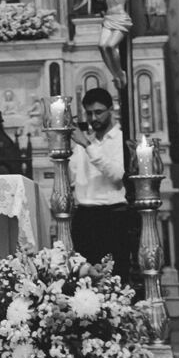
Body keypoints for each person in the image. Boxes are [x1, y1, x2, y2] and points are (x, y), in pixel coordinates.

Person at [70, 88, 137, 286]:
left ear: (111, 110)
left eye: (98, 112)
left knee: (114, 279)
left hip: (113, 217)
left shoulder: (121, 140)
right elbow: (74, 177)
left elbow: (118, 175)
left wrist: (88, 146)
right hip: (84, 217)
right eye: (89, 113)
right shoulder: (82, 141)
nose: (93, 118)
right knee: (83, 280)